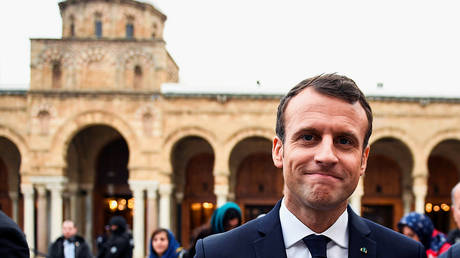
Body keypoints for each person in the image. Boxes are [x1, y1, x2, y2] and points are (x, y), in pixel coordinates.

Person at [195, 74, 426, 257]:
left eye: (344, 141)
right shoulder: (218, 253)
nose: (326, 156)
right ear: (279, 151)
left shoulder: (403, 253)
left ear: (363, 159)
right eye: (308, 137)